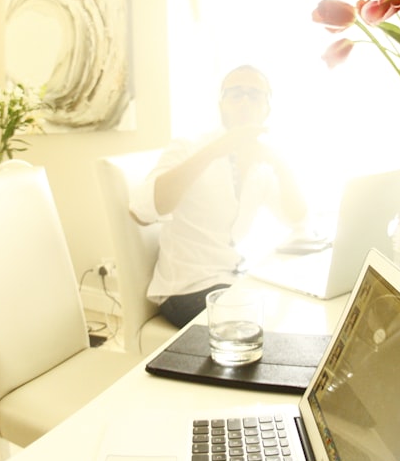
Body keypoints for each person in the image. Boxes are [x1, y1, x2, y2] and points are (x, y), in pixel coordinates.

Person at [130, 65, 308, 327]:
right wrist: (216, 150)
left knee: (296, 308)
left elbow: (296, 217)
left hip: (231, 281)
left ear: (267, 107)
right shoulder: (189, 147)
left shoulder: (261, 162)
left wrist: (281, 164)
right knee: (274, 329)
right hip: (185, 288)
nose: (245, 101)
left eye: (254, 94)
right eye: (235, 93)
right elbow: (143, 210)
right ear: (222, 104)